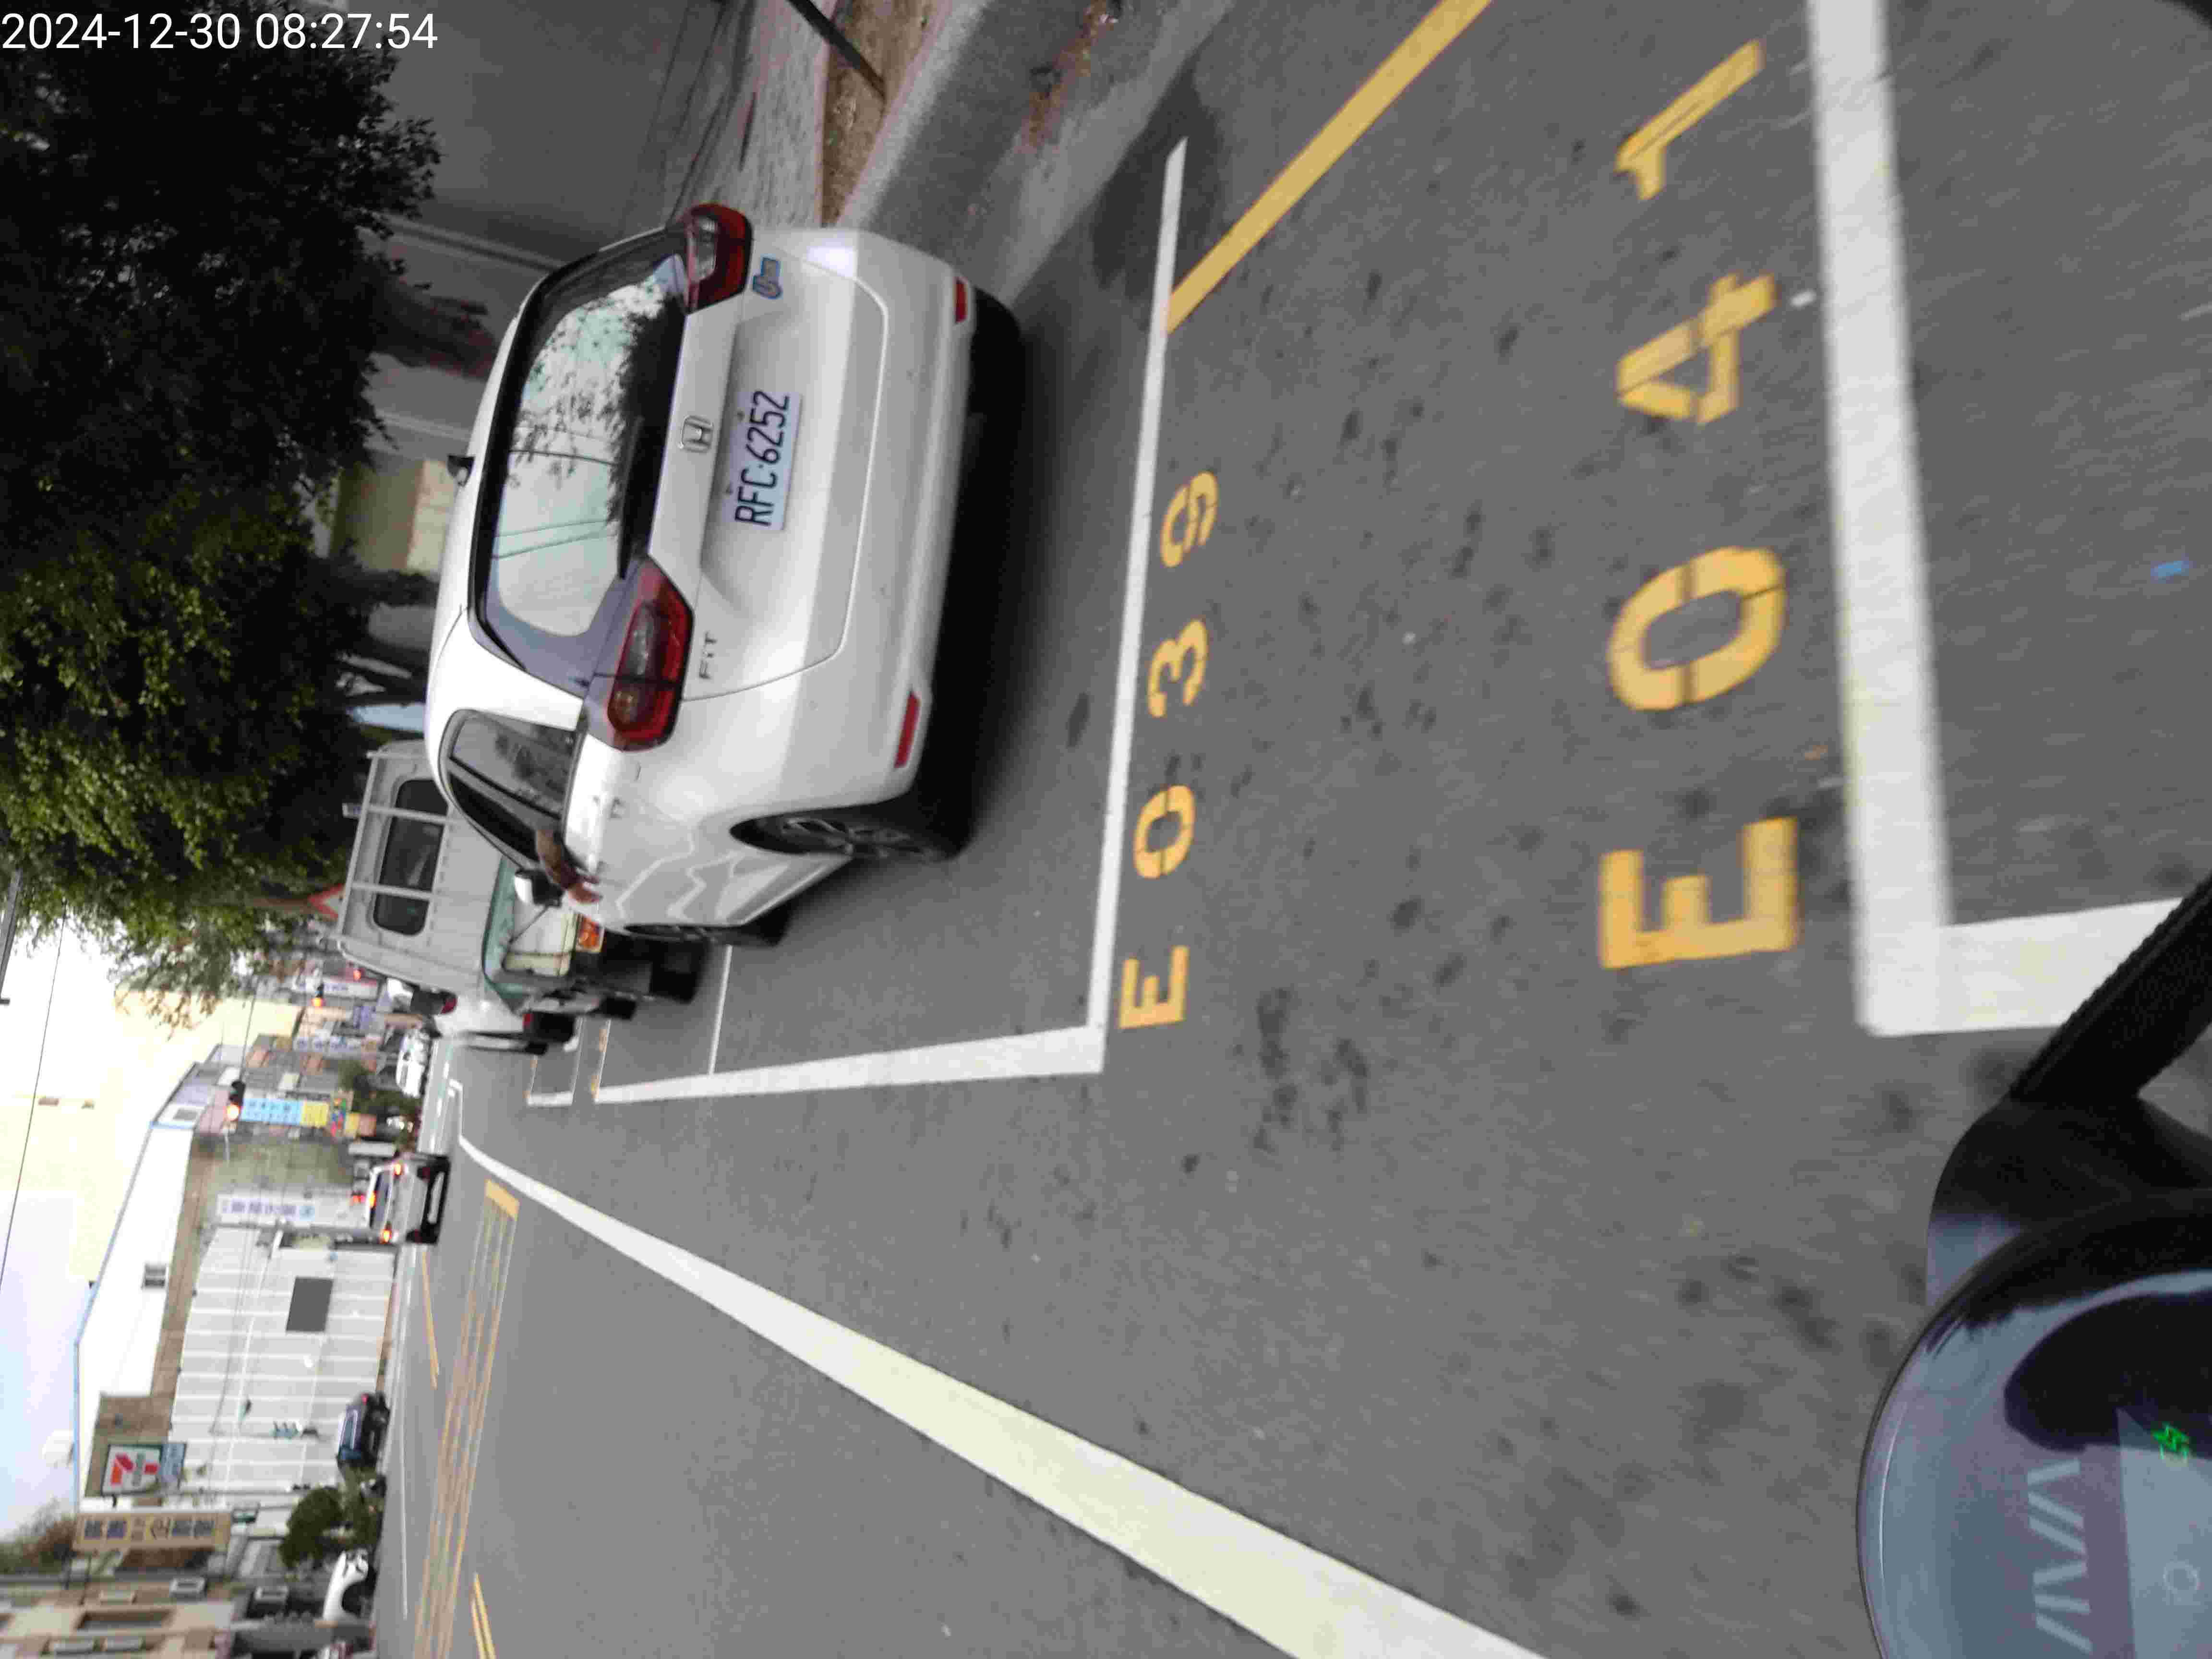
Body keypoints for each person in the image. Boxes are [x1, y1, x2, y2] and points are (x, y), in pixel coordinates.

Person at [532, 827, 601, 904]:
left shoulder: (560, 877)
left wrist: (583, 881)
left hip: (551, 834)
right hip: (552, 837)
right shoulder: (563, 879)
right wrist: (584, 878)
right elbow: (571, 877)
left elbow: (570, 878)